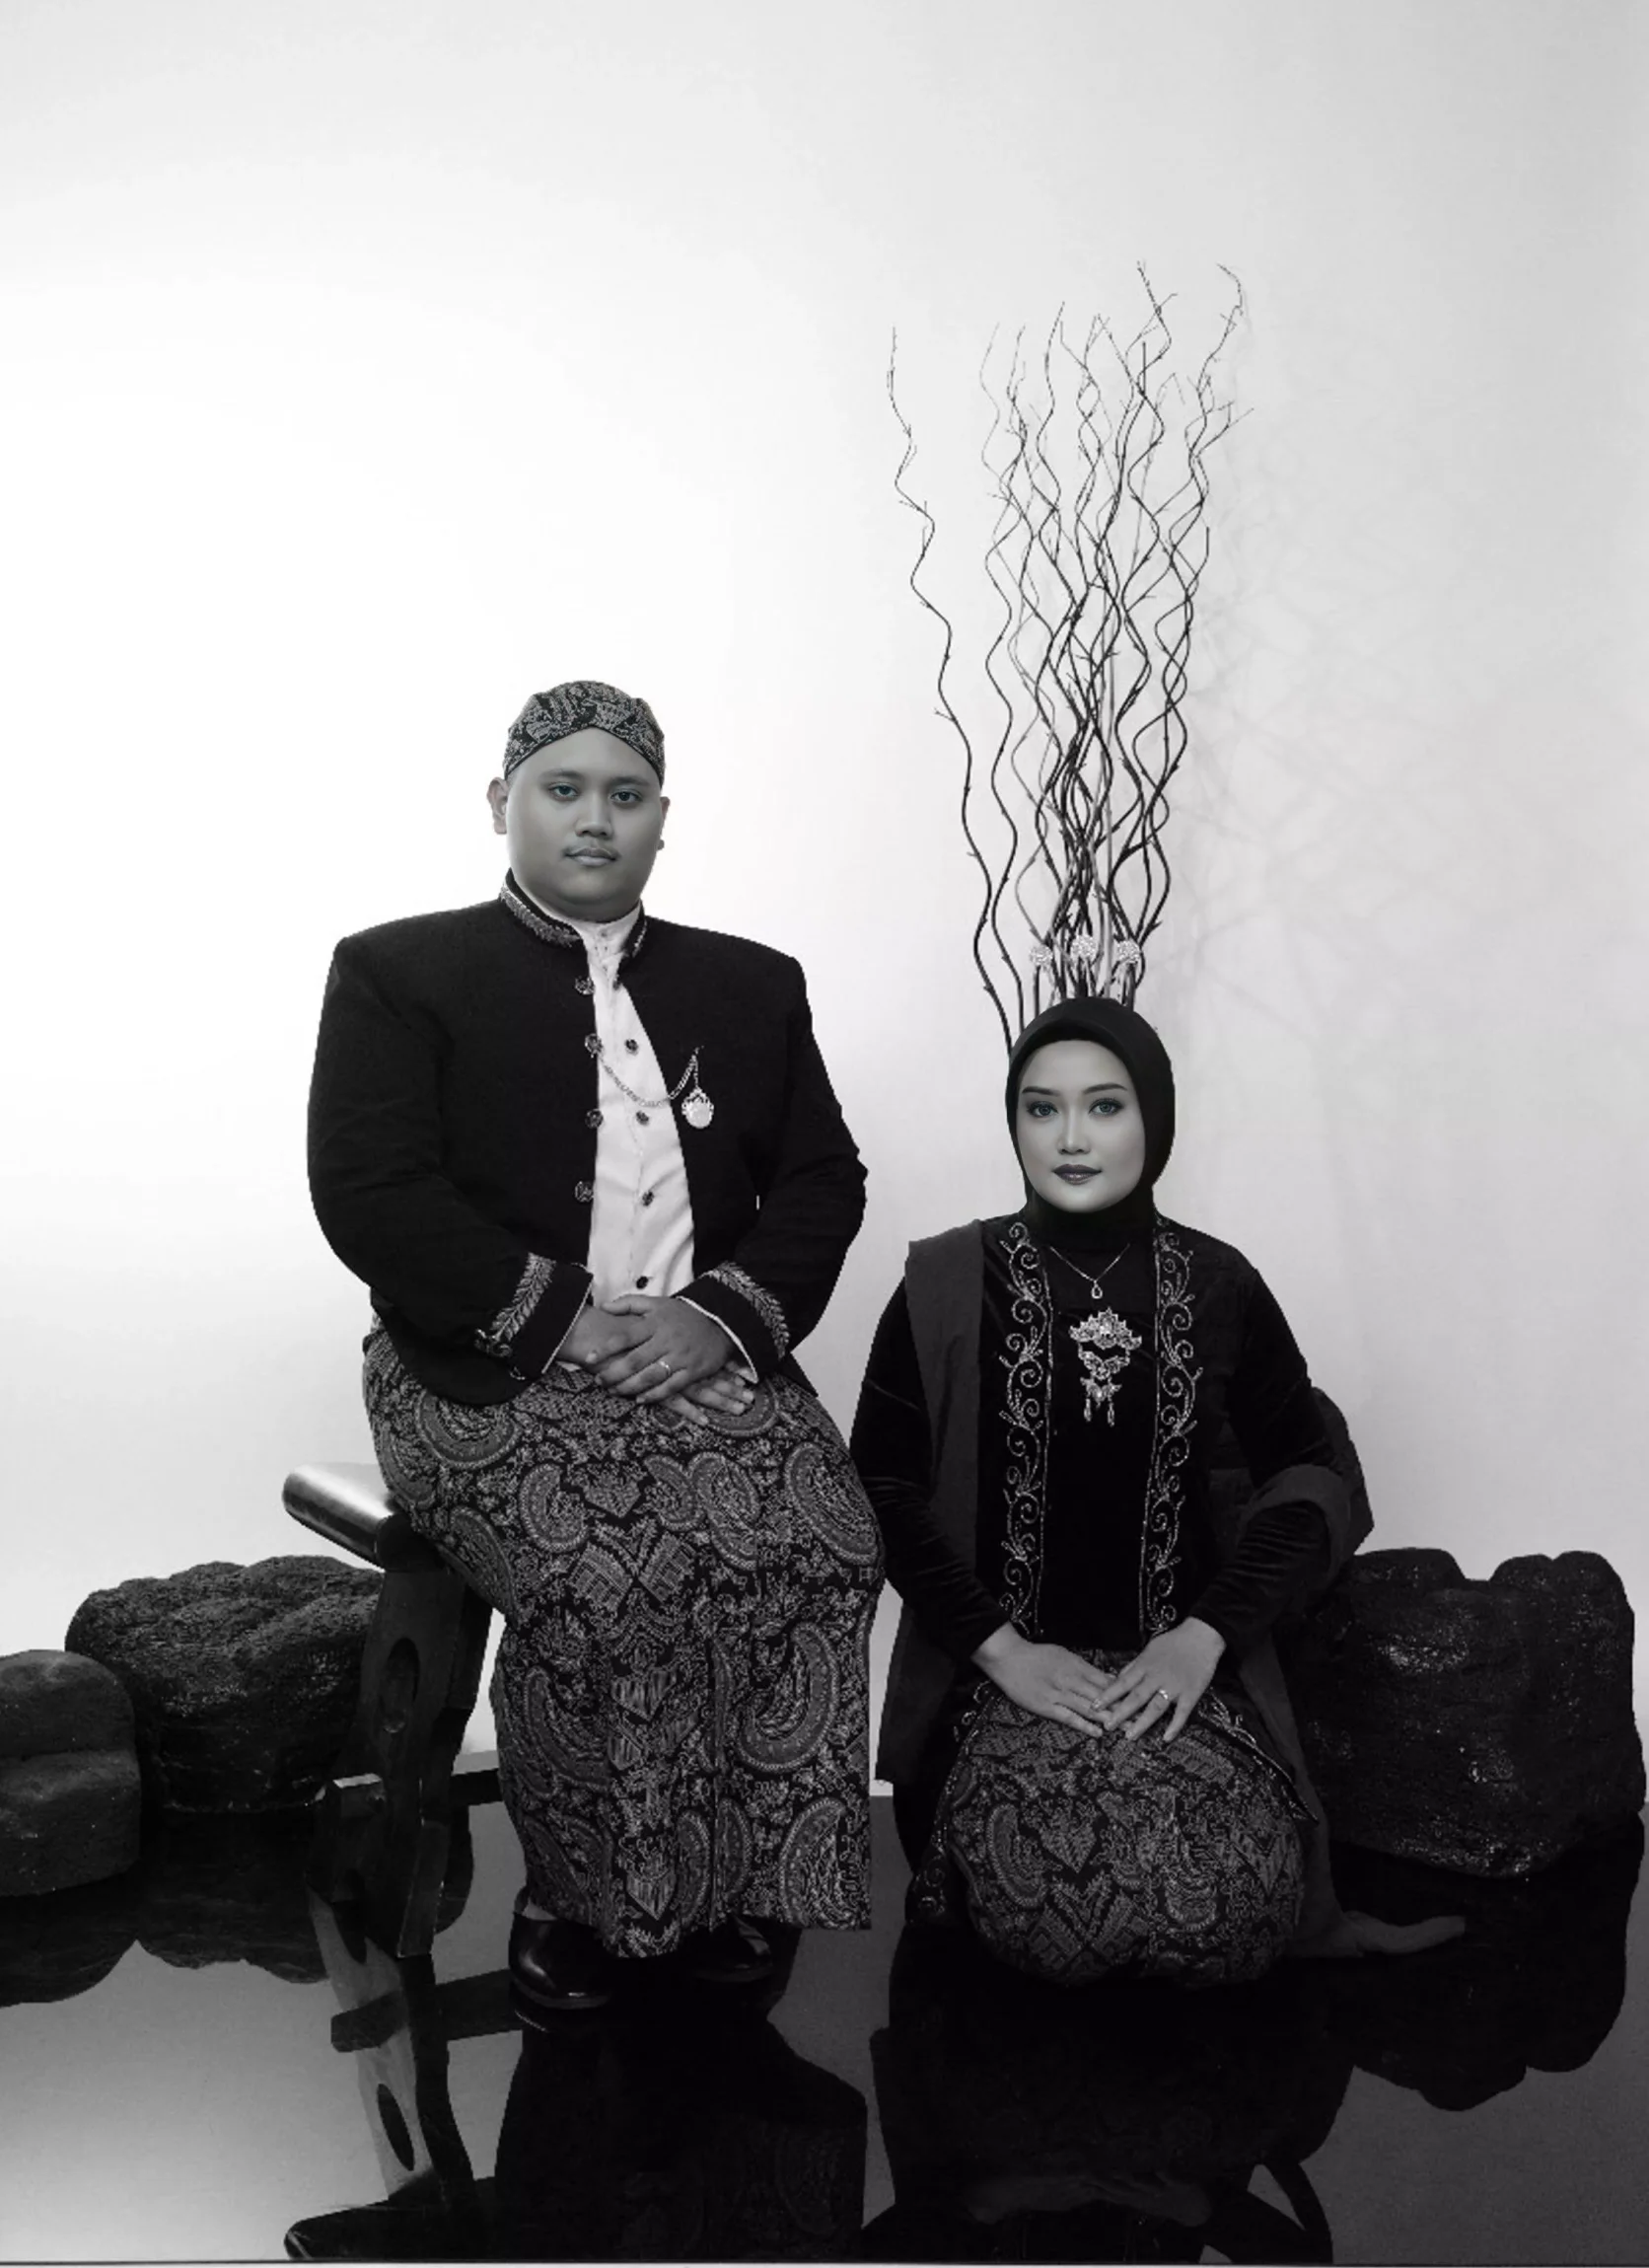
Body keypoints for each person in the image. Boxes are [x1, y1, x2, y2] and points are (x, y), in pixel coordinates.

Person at [308, 679, 882, 2012]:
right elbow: (371, 1190)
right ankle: (576, 1896)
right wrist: (565, 1319)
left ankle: (747, 1882)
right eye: (561, 790)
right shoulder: (397, 973)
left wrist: (717, 1316)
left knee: (825, 1539)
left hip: (703, 1351)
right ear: (499, 804)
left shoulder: (752, 984)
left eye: (625, 796)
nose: (594, 819)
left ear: (662, 820)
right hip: (482, 1360)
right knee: (607, 1572)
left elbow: (823, 1178)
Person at [852, 994, 1460, 1986]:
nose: (1071, 1137)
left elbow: (1312, 1478)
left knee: (1230, 1901)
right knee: (1072, 1911)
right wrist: (1004, 1651)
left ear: (1156, 1118)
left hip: (1183, 1678)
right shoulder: (946, 1281)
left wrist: (1204, 1636)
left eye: (1105, 1106)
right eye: (1042, 1108)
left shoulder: (1221, 1284)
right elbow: (881, 1486)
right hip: (996, 1682)